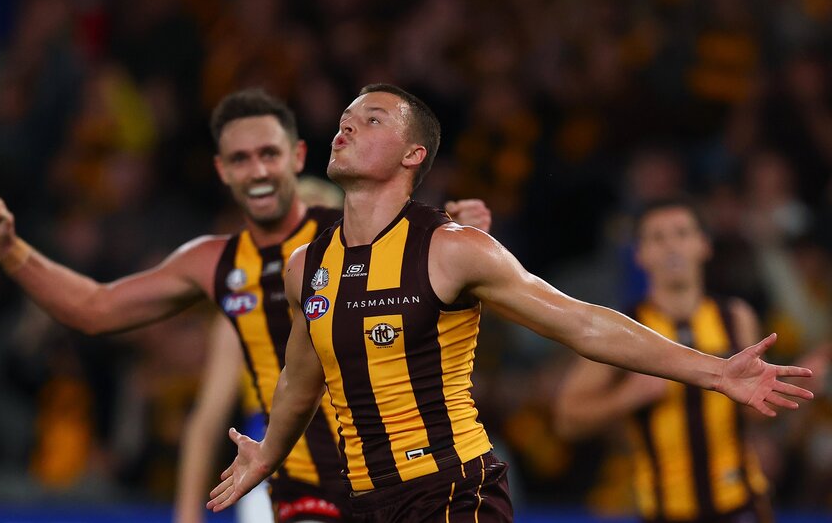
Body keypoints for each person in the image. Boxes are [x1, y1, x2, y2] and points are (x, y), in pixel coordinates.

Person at [203, 84, 814, 523]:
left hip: (451, 492)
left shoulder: (453, 249)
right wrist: (269, 454)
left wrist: (714, 371)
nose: (347, 126)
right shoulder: (305, 268)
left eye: (372, 120)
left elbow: (580, 322)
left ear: (414, 155)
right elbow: (299, 380)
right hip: (362, 501)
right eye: (345, 117)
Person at [0, 87, 492, 523]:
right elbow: (97, 309)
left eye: (269, 154)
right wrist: (11, 251)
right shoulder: (218, 266)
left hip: (399, 476)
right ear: (222, 171)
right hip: (300, 487)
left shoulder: (345, 234)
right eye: (241, 159)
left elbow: (422, 266)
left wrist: (461, 232)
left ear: (299, 158)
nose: (257, 171)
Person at [555, 198, 771, 523]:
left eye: (682, 233)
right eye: (657, 237)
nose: (671, 246)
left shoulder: (736, 316)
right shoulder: (624, 328)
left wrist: (793, 390)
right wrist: (627, 396)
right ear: (640, 254)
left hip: (742, 505)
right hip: (663, 511)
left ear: (703, 245)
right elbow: (566, 420)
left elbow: (756, 414)